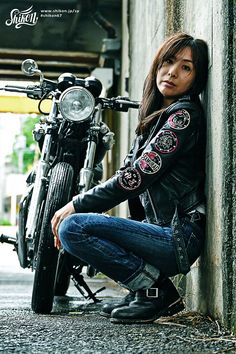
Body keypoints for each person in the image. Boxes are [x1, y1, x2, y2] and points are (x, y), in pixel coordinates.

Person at [51, 32, 209, 324]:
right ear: (158, 64)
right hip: (157, 230)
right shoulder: (156, 116)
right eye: (169, 61)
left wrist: (78, 203)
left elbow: (136, 177)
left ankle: (154, 291)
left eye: (186, 67)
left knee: (74, 227)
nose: (172, 72)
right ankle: (143, 289)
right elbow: (126, 173)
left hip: (178, 236)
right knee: (78, 227)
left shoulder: (183, 118)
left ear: (196, 79)